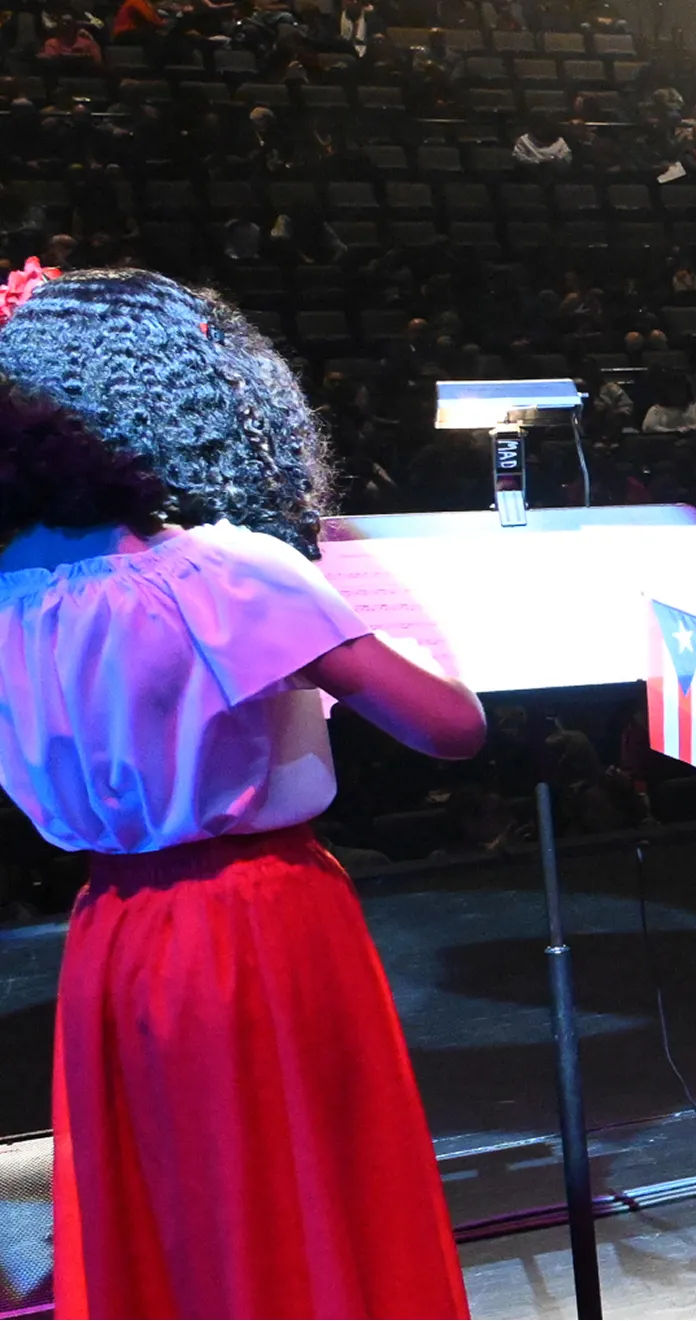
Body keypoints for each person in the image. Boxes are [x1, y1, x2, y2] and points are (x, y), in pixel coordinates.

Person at [0, 268, 485, 1319]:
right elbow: (452, 727)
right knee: (294, 1201)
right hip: (257, 919)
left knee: (174, 1218)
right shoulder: (227, 572)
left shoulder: (10, 594)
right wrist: (362, 581)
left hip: (113, 930)